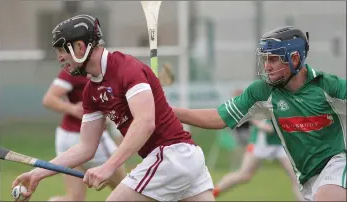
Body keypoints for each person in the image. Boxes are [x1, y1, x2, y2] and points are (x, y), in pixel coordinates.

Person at [12, 14, 214, 201]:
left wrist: (109, 166)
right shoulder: (91, 90)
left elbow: (145, 123)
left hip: (170, 156)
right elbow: (85, 148)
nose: (60, 58)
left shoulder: (127, 69)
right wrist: (38, 172)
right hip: (182, 159)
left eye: (63, 49)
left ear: (80, 47)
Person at [173, 26, 346, 201]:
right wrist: (170, 112)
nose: (266, 66)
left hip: (338, 164)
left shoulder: (329, 87)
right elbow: (218, 117)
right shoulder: (262, 91)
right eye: (264, 59)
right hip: (308, 179)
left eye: (273, 60)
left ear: (294, 59)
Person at [42, 68, 127, 201]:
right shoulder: (75, 71)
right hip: (89, 138)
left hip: (65, 137)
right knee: (127, 190)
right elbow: (49, 99)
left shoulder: (99, 70)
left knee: (74, 199)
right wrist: (72, 109)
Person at [213, 119, 304, 201]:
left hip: (279, 141)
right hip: (260, 141)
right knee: (243, 175)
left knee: (296, 177)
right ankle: (212, 194)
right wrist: (258, 123)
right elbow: (249, 108)